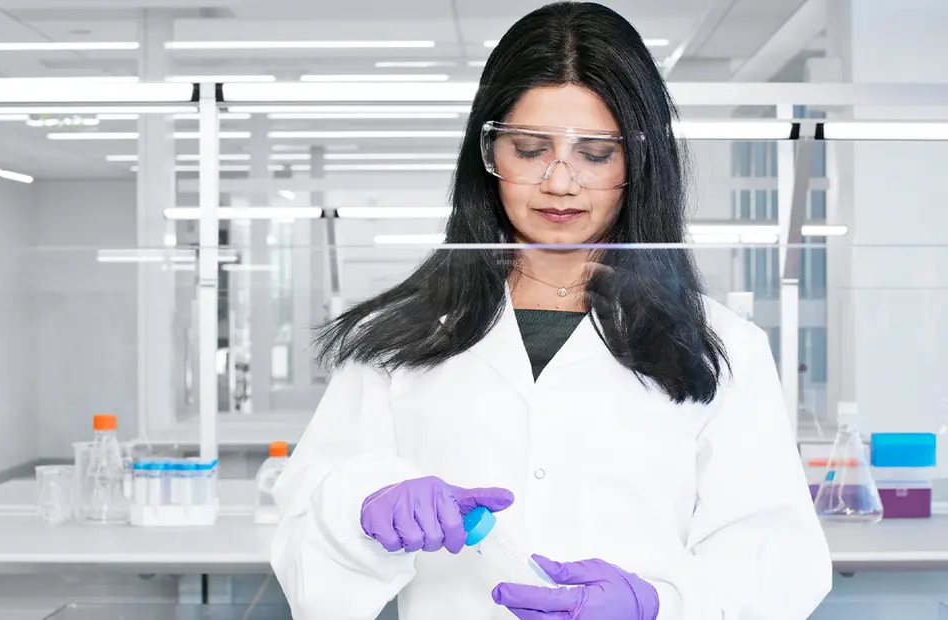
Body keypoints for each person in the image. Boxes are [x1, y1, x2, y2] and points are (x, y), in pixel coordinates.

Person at [269, 2, 833, 619]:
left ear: (638, 162)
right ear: (489, 155)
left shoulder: (723, 346)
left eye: (596, 154)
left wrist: (657, 608)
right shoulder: (398, 340)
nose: (561, 182)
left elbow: (777, 561)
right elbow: (302, 557)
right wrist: (361, 512)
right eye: (530, 149)